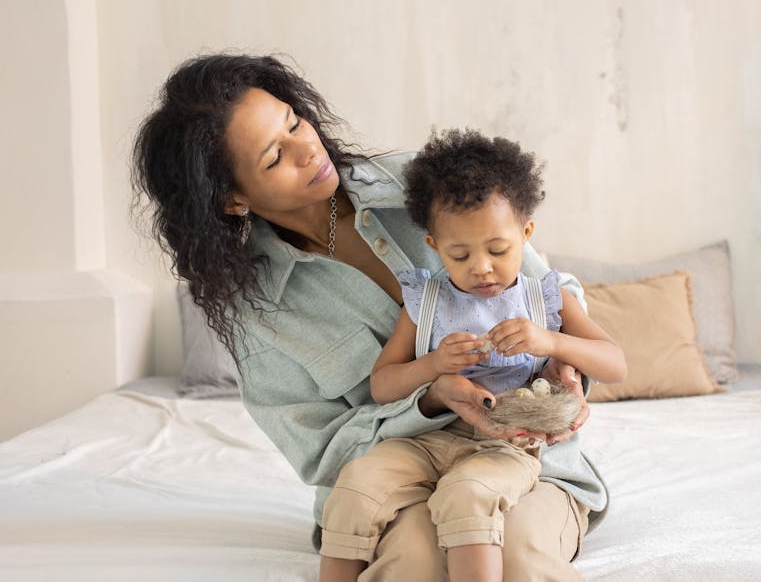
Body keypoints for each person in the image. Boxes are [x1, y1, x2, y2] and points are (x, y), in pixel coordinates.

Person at [131, 54, 608, 582]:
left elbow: (547, 293)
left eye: (295, 121)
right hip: (395, 482)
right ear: (234, 200)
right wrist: (428, 397)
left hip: (525, 458)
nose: (308, 148)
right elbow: (319, 447)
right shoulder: (256, 309)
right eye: (275, 157)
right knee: (415, 564)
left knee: (514, 556)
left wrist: (564, 369)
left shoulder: (425, 186)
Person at [317, 128, 626, 582]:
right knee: (357, 485)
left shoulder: (547, 297)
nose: (481, 267)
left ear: (526, 233)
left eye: (498, 250)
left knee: (468, 493)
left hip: (505, 444)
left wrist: (551, 342)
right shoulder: (424, 302)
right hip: (426, 439)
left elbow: (614, 363)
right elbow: (383, 387)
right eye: (460, 255)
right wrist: (433, 365)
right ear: (435, 248)